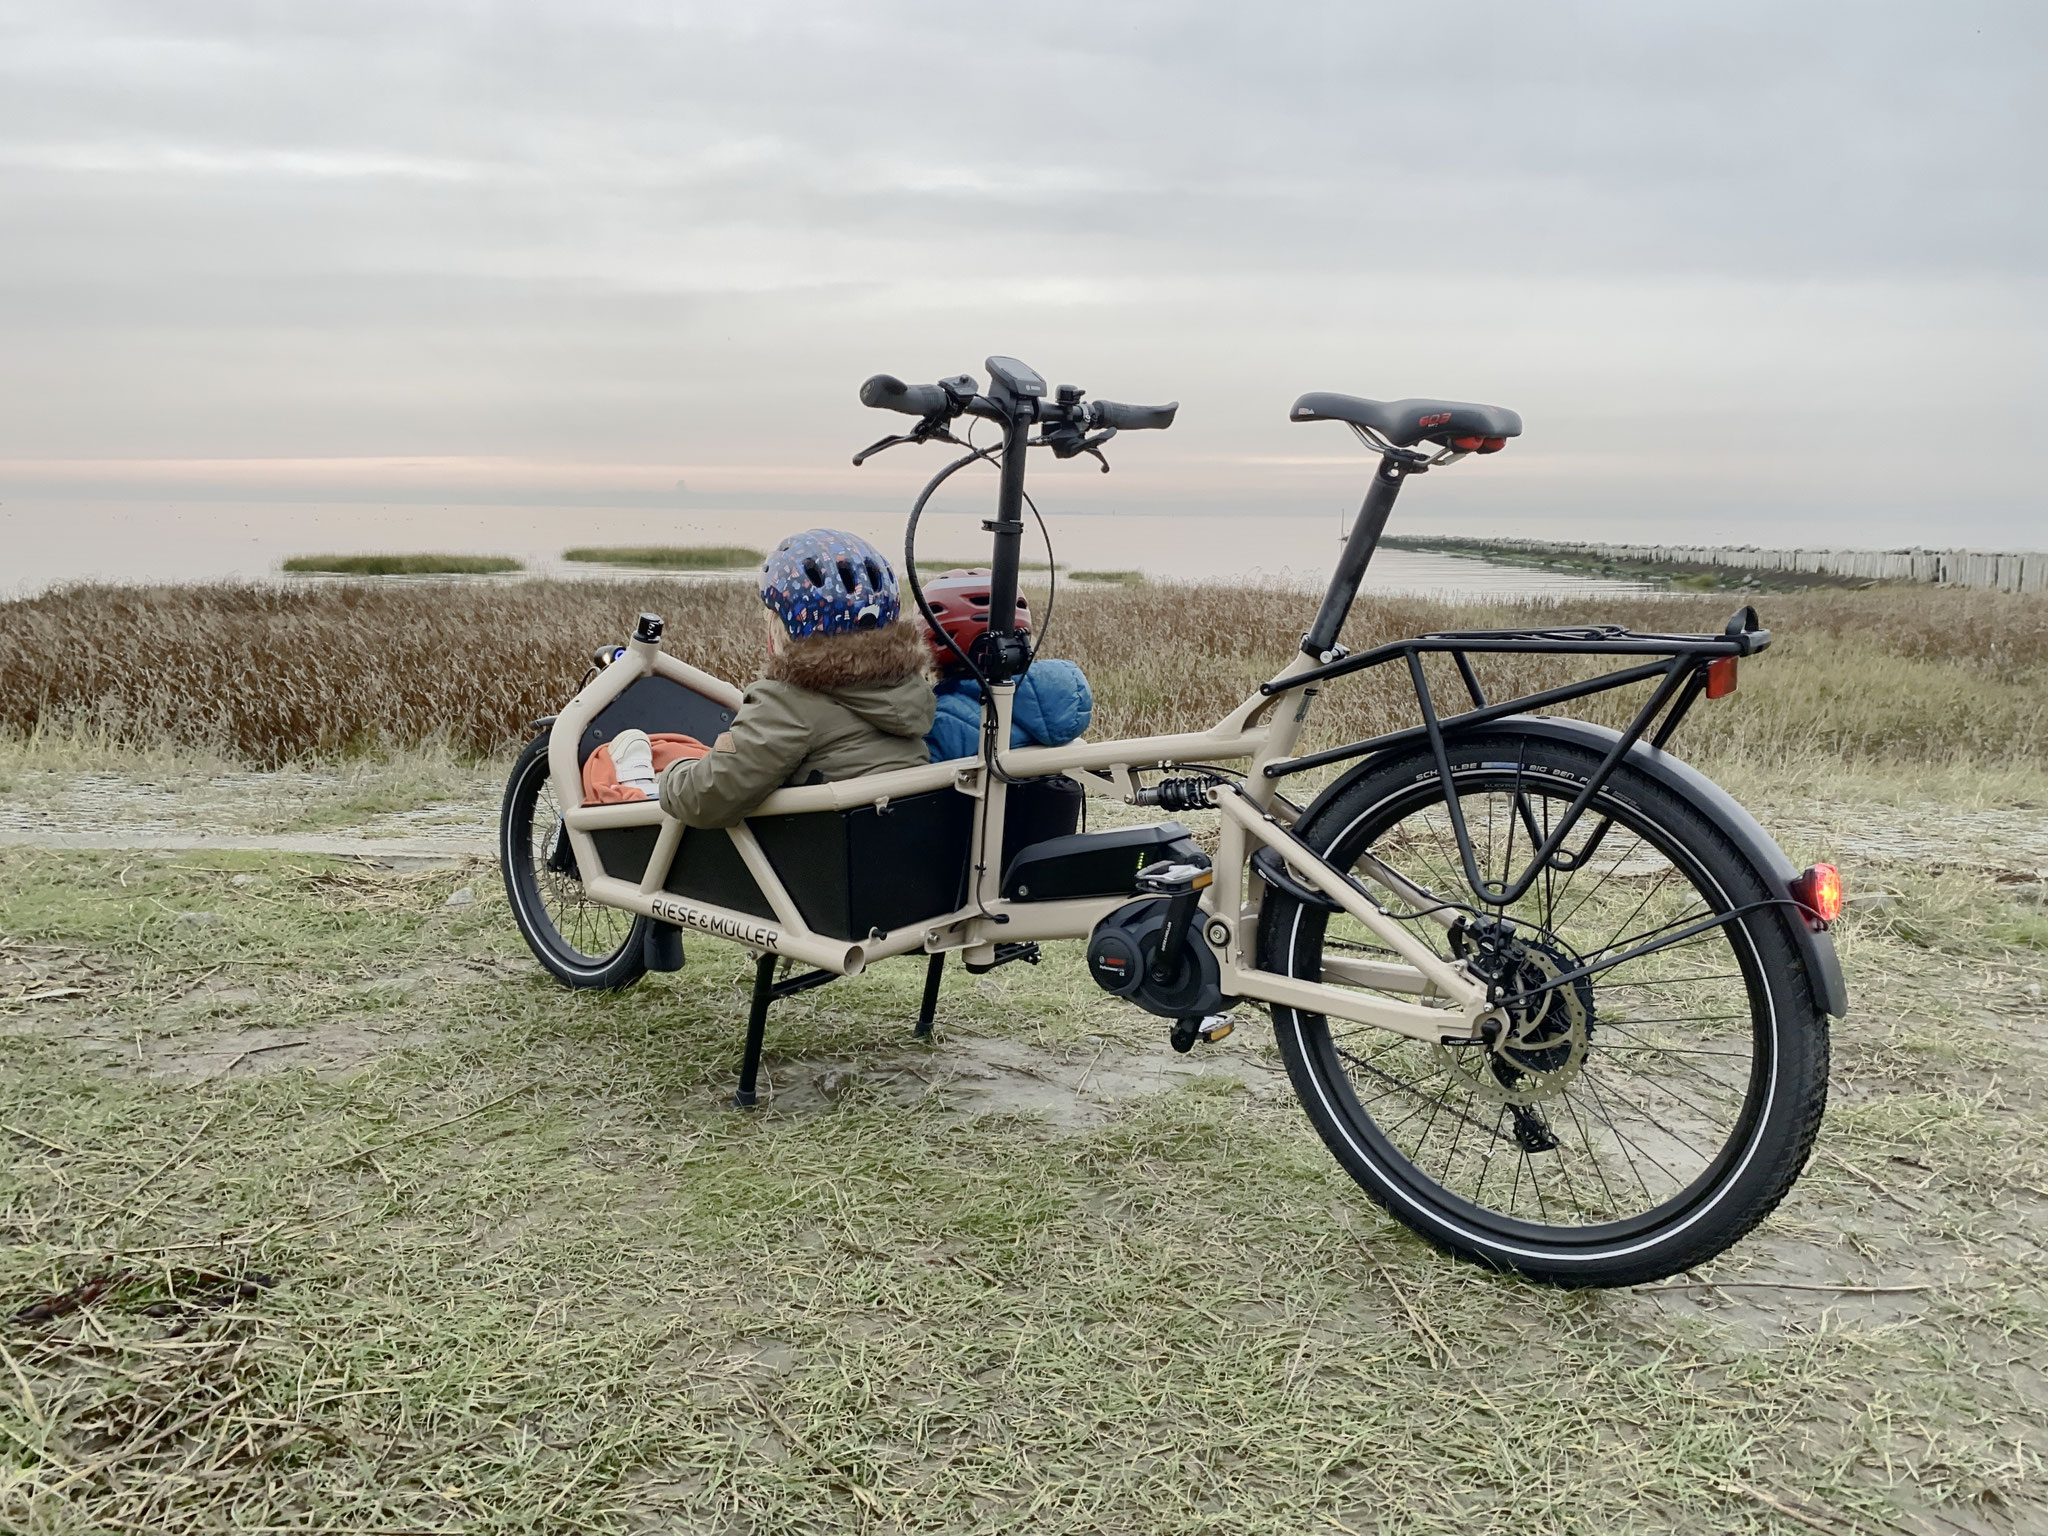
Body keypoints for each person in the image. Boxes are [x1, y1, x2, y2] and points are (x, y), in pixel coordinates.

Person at [657, 530, 935, 828]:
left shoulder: (788, 703)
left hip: (810, 865)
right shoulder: (910, 694)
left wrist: (669, 774)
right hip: (886, 853)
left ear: (785, 628)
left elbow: (706, 797)